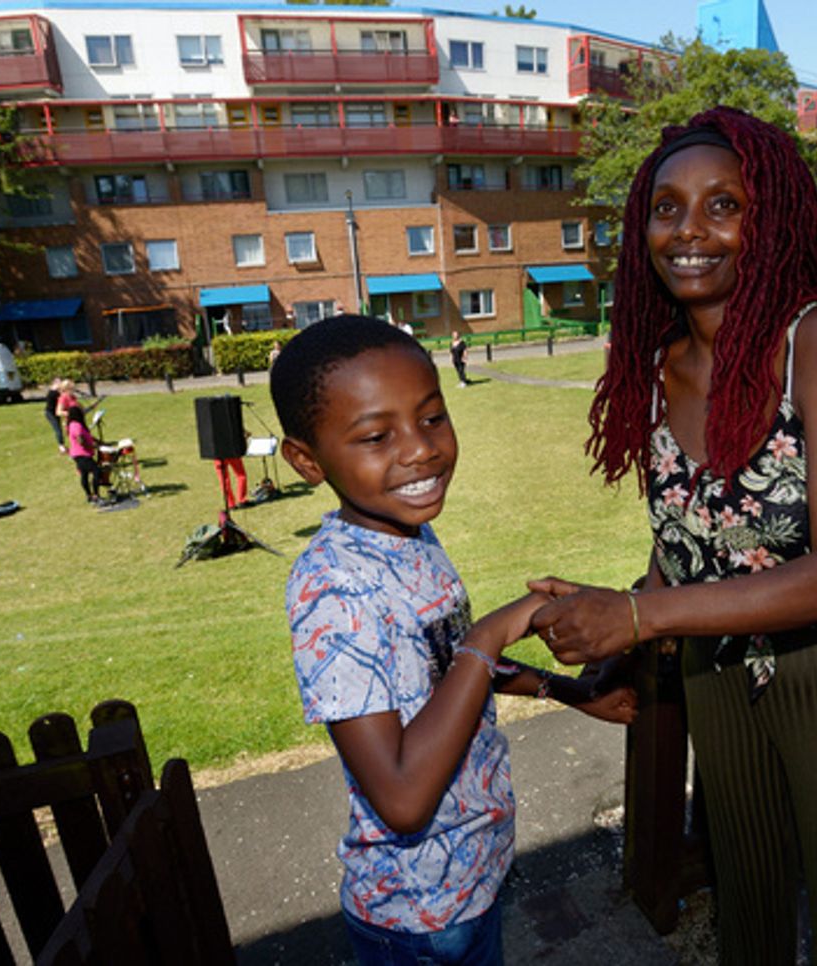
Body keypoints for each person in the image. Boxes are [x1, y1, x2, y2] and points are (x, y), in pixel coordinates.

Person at [525, 107, 817, 965]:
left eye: (723, 206)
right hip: (720, 678)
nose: (690, 231)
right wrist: (628, 636)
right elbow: (686, 540)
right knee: (749, 920)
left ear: (767, 218)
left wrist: (640, 620)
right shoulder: (655, 363)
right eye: (667, 208)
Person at [271, 316, 635, 965]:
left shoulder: (409, 535)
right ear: (306, 459)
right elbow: (404, 799)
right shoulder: (332, 590)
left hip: (474, 878)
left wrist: (573, 693)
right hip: (417, 919)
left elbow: (448, 665)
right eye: (377, 435)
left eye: (432, 417)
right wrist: (494, 628)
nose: (420, 450)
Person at [64, 404, 103, 503]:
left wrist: (98, 442)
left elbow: (87, 436)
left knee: (84, 474)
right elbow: (81, 440)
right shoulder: (76, 425)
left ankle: (89, 496)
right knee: (97, 472)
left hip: (79, 454)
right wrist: (92, 446)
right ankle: (95, 495)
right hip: (82, 454)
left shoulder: (76, 424)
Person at [43, 377, 66, 453]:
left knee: (60, 429)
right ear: (55, 383)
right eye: (59, 383)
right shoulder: (53, 393)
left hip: (56, 412)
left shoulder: (56, 392)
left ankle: (62, 445)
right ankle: (61, 446)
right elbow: (60, 396)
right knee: (58, 429)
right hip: (50, 413)